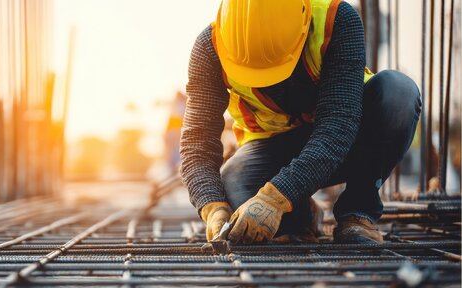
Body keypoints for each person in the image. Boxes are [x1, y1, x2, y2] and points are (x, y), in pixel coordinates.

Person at [180, 0, 421, 243]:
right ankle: (301, 215)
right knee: (234, 189)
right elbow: (197, 143)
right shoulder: (211, 46)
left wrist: (276, 197)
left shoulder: (335, 20)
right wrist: (213, 207)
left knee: (398, 94)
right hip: (272, 147)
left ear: (304, 25)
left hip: (348, 139)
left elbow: (337, 126)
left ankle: (357, 213)